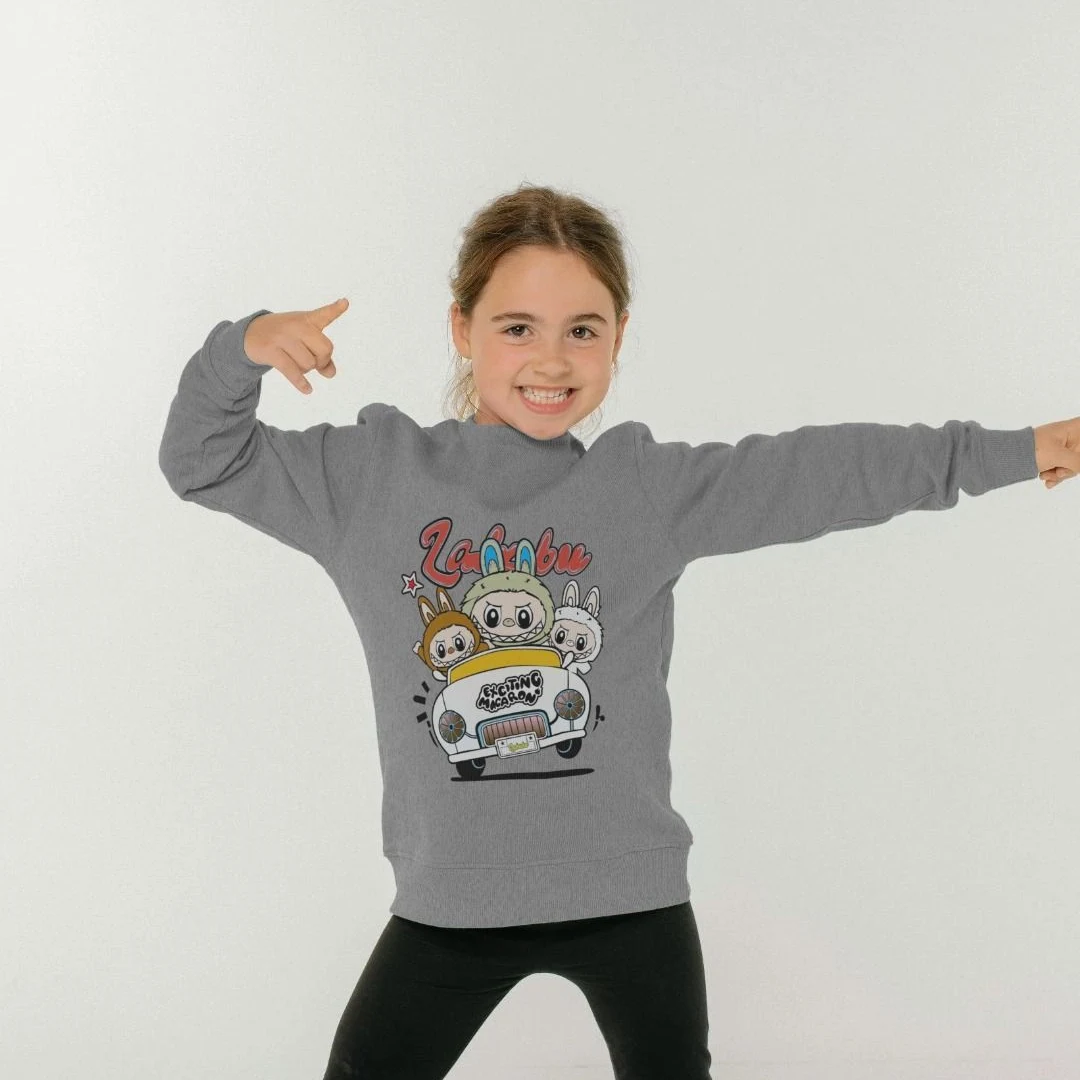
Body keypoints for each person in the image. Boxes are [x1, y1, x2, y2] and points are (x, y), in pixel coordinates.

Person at [158, 183, 1078, 1080]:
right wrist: (242, 348)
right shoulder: (373, 480)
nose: (551, 361)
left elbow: (820, 471)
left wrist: (1007, 450)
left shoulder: (640, 488)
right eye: (517, 328)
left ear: (618, 339)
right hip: (449, 909)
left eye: (582, 331)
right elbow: (201, 460)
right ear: (461, 330)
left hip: (632, 899)